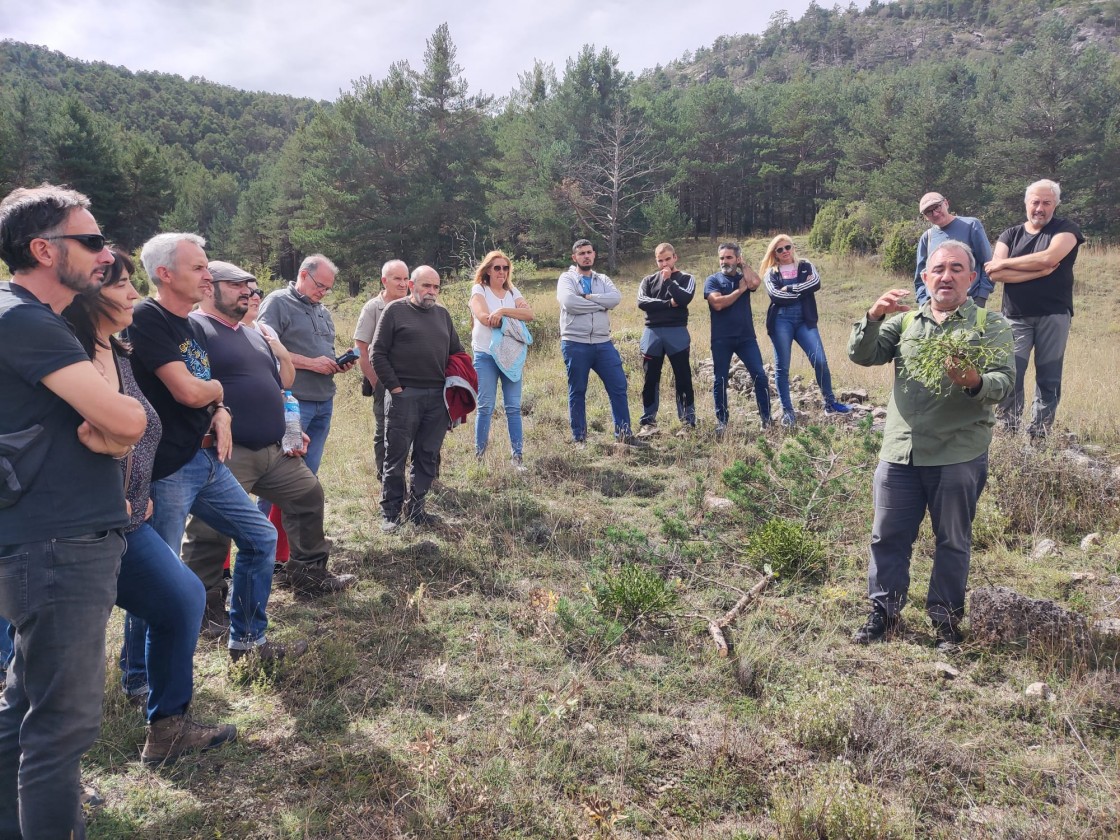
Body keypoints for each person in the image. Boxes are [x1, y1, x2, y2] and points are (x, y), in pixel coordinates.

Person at [0, 184, 146, 839]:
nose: (102, 252)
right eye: (88, 241)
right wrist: (125, 421)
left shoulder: (38, 320)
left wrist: (115, 426)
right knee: (62, 729)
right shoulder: (23, 319)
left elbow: (107, 426)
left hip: (51, 540)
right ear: (42, 249)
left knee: (25, 707)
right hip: (58, 544)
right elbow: (120, 418)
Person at [64, 249, 237, 764]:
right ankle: (41, 784)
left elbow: (130, 430)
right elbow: (92, 434)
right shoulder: (65, 354)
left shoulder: (118, 352)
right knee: (56, 659)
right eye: (120, 286)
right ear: (87, 293)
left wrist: (219, 406)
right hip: (73, 526)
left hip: (128, 518)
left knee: (181, 597)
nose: (133, 295)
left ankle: (167, 729)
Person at [126, 232, 305, 664]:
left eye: (207, 267)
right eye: (199, 268)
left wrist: (221, 408)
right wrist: (218, 391)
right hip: (168, 467)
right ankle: (138, 677)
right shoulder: (146, 317)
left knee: (260, 536)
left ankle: (247, 641)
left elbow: (205, 392)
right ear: (164, 274)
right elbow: (188, 391)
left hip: (206, 459)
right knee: (158, 574)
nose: (208, 275)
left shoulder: (191, 325)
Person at [848, 241, 1014, 650]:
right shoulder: (905, 323)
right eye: (938, 268)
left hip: (958, 453)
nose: (947, 276)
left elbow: (1004, 384)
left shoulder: (989, 326)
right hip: (900, 451)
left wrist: (974, 381)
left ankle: (945, 620)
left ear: (972, 278)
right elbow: (861, 355)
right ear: (925, 278)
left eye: (957, 269)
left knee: (952, 541)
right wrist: (873, 316)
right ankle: (883, 614)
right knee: (887, 536)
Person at [179, 259, 355, 603]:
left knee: (308, 495)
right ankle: (206, 603)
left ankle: (308, 576)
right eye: (236, 285)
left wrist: (289, 428)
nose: (248, 291)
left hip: (274, 449)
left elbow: (278, 389)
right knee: (210, 528)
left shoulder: (253, 334)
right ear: (207, 288)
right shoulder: (194, 329)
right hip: (225, 451)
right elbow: (185, 386)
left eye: (251, 286)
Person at [985, 179, 1084, 439]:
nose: (1040, 208)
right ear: (1026, 204)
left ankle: (1038, 434)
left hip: (1054, 314)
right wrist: (1039, 269)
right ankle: (1008, 431)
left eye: (1046, 202)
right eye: (1035, 202)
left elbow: (1050, 258)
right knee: (1010, 373)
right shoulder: (1010, 234)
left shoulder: (1067, 229)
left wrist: (1009, 265)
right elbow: (994, 273)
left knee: (1048, 377)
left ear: (1055, 205)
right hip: (1014, 317)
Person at [372, 266, 465, 532]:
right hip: (404, 396)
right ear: (412, 285)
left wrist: (456, 390)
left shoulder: (442, 315)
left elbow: (457, 353)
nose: (432, 292)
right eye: (426, 286)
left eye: (436, 287)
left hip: (437, 398)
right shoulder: (394, 311)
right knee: (396, 455)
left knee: (427, 455)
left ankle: (417, 509)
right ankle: (390, 513)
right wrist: (396, 388)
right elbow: (377, 353)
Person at [257, 254, 355, 475]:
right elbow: (263, 347)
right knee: (281, 472)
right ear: (303, 274)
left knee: (308, 473)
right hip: (293, 401)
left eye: (328, 289)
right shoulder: (278, 302)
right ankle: (263, 513)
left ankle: (300, 512)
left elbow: (321, 351)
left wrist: (337, 363)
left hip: (324, 400)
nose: (323, 292)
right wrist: (311, 364)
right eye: (320, 285)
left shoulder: (323, 311)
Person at [760, 235, 852, 427]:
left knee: (820, 361)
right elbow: (776, 295)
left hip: (805, 320)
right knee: (782, 367)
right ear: (774, 254)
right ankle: (788, 411)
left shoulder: (806, 265)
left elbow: (815, 284)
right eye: (780, 249)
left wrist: (790, 288)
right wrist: (801, 291)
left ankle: (830, 403)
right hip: (781, 321)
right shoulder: (771, 272)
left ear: (793, 247)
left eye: (787, 247)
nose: (785, 251)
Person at [556, 239, 637, 445]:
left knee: (618, 385)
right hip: (575, 342)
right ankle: (580, 438)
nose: (586, 256)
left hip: (603, 343)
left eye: (589, 252)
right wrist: (600, 304)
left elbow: (615, 299)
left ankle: (624, 434)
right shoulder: (566, 279)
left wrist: (589, 297)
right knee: (578, 390)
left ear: (594, 254)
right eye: (581, 253)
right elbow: (569, 303)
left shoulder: (603, 279)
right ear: (574, 257)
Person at [469, 250, 534, 468]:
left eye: (505, 268)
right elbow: (484, 318)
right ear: (487, 270)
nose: (502, 272)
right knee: (486, 406)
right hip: (485, 355)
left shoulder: (512, 291)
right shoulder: (479, 289)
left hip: (510, 355)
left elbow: (530, 315)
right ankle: (480, 459)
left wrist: (504, 310)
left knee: (513, 407)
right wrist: (507, 314)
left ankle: (517, 457)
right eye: (497, 268)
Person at [703, 242, 772, 432]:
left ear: (737, 258)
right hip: (721, 339)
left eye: (729, 257)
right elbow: (717, 304)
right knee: (720, 380)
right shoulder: (713, 280)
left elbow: (756, 283)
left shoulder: (744, 277)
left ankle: (766, 419)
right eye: (722, 258)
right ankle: (722, 422)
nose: (724, 261)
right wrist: (739, 291)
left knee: (760, 375)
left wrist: (744, 265)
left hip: (746, 338)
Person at [354, 259, 410, 482]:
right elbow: (361, 348)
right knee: (384, 429)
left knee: (414, 430)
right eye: (397, 279)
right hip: (383, 381)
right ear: (384, 281)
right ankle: (385, 477)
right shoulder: (372, 308)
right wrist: (376, 382)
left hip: (413, 380)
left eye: (406, 279)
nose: (403, 283)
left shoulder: (413, 304)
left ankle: (419, 476)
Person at [636, 243, 696, 433]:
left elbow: (684, 299)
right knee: (650, 378)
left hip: (676, 331)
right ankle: (648, 422)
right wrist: (669, 304)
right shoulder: (647, 280)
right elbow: (642, 302)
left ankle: (688, 422)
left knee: (683, 376)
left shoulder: (686, 278)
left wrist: (669, 281)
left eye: (667, 259)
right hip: (652, 332)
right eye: (660, 260)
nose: (664, 264)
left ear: (675, 257)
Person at [914, 192, 994, 308]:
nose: (935, 213)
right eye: (929, 212)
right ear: (925, 217)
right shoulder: (927, 238)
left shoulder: (971, 225)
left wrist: (981, 296)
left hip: (969, 302)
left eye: (937, 207)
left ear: (946, 203)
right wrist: (923, 302)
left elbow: (988, 264)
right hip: (936, 306)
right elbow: (921, 275)